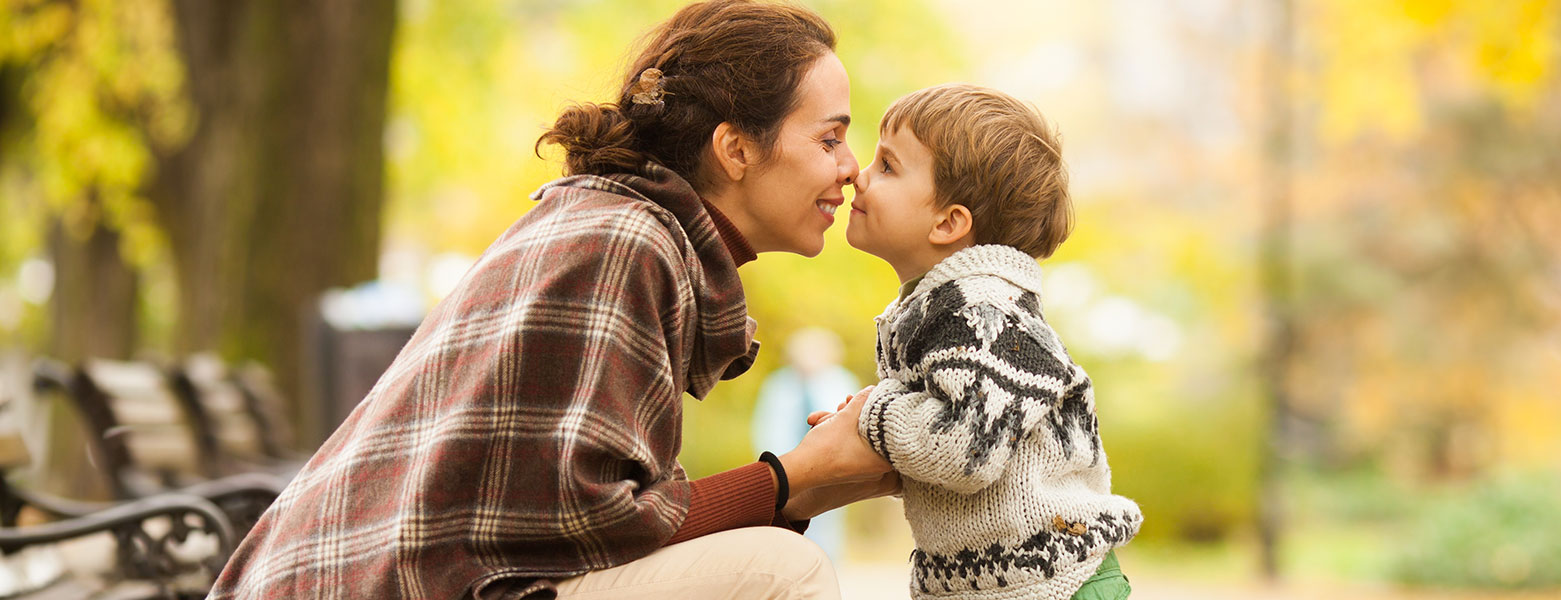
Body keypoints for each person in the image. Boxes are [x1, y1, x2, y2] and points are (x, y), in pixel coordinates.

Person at [208, 2, 894, 598]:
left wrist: (807, 483)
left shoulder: (613, 225)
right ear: (736, 148)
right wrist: (792, 478)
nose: (850, 168)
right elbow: (596, 526)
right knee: (782, 571)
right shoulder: (628, 241)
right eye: (830, 137)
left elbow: (582, 526)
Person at [827, 84, 1143, 599]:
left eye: (886, 166)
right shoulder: (940, 306)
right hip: (1000, 582)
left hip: (1057, 583)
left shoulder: (984, 314)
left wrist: (873, 413)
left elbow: (966, 450)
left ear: (949, 223)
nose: (856, 177)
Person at [752, 327, 861, 559]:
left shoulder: (841, 381)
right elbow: (767, 426)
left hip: (833, 465)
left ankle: (825, 569)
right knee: (787, 524)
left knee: (826, 525)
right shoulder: (779, 386)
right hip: (788, 466)